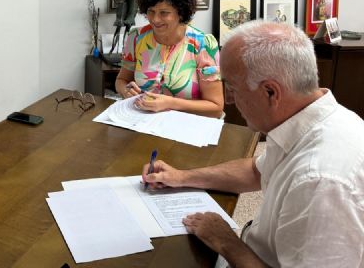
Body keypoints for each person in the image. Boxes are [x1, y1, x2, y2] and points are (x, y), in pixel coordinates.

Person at [143, 21, 364, 267]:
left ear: (271, 92)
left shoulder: (321, 181)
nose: (227, 99)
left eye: (234, 89)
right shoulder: (311, 118)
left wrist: (226, 241)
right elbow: (256, 170)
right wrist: (181, 177)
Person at [115, 0, 224, 117]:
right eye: (151, 11)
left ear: (180, 13)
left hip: (187, 127)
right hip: (143, 123)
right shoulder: (136, 37)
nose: (155, 19)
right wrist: (125, 90)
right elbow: (121, 80)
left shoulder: (203, 44)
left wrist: (171, 103)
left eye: (164, 13)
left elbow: (215, 107)